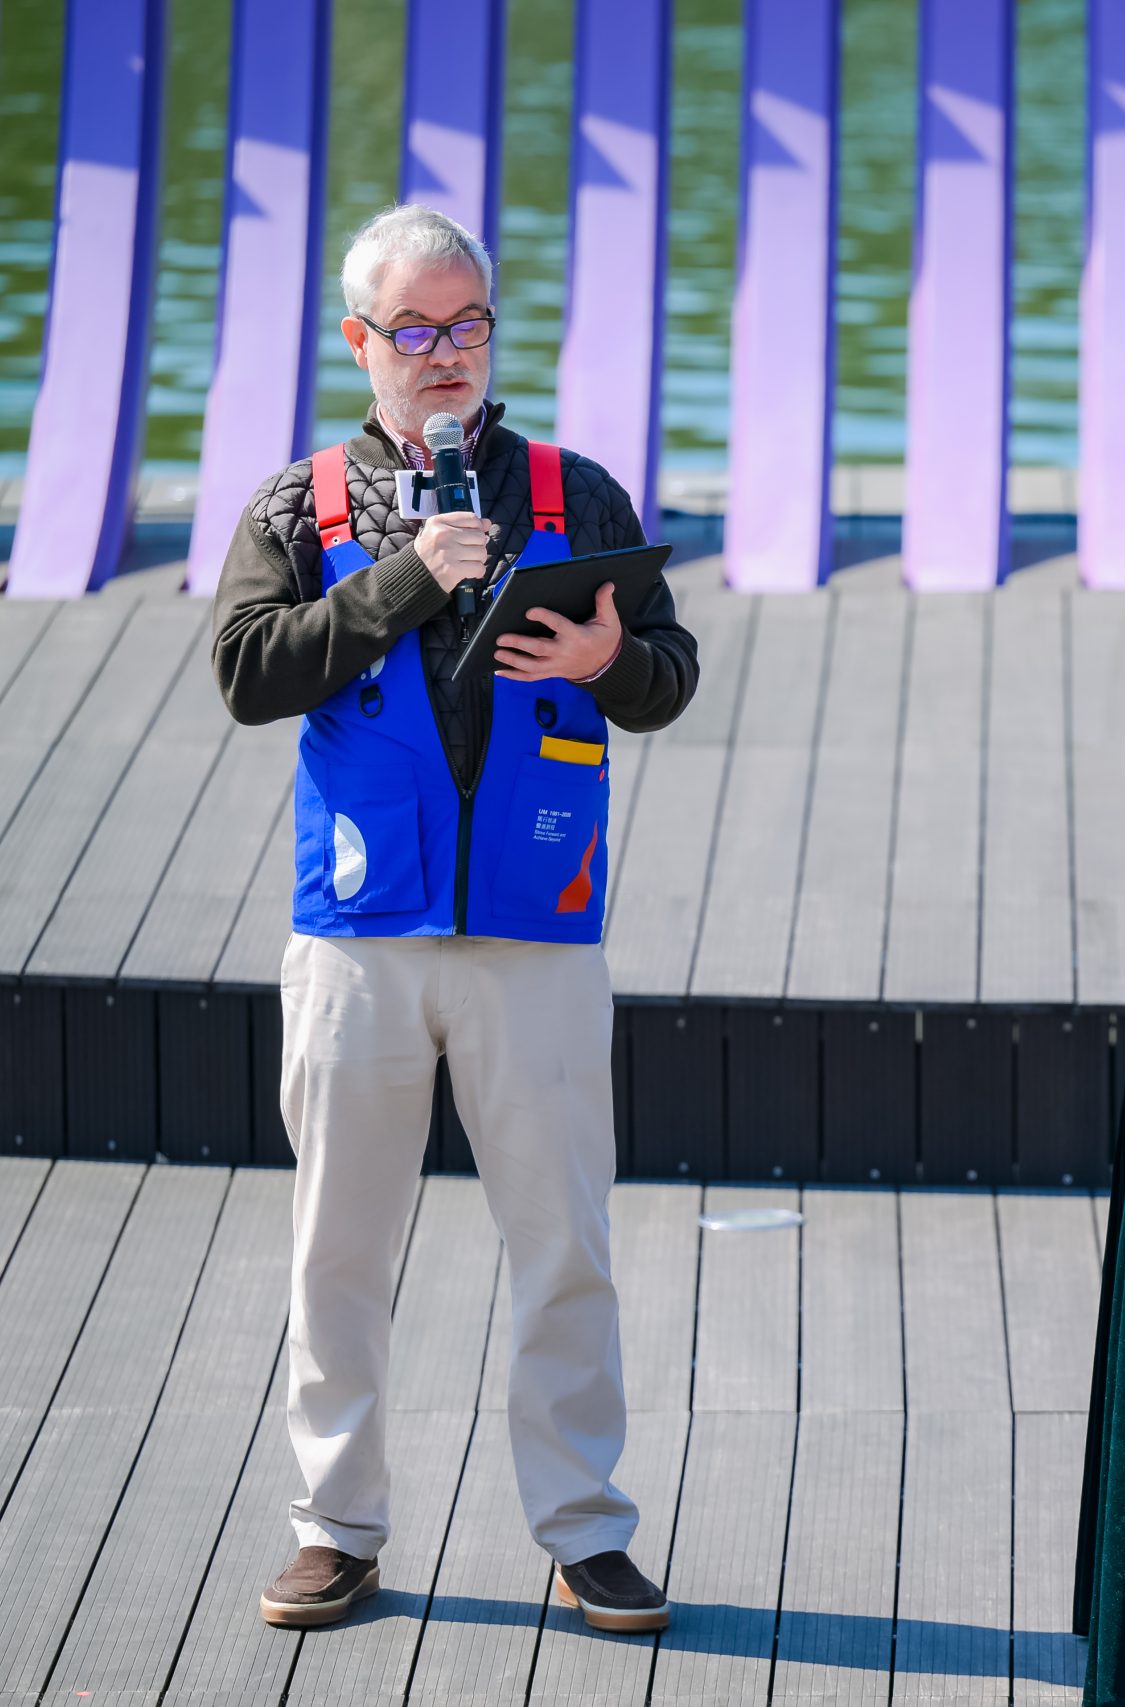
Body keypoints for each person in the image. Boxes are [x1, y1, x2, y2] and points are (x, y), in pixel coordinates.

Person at [211, 204, 700, 1632]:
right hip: (360, 929)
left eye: (467, 325)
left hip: (536, 926)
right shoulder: (296, 505)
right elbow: (246, 673)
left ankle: (584, 1528)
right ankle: (336, 1527)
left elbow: (669, 675)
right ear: (359, 341)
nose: (445, 354)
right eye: (414, 330)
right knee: (339, 1250)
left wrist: (611, 658)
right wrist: (404, 580)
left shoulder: (575, 493)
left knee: (566, 1246)